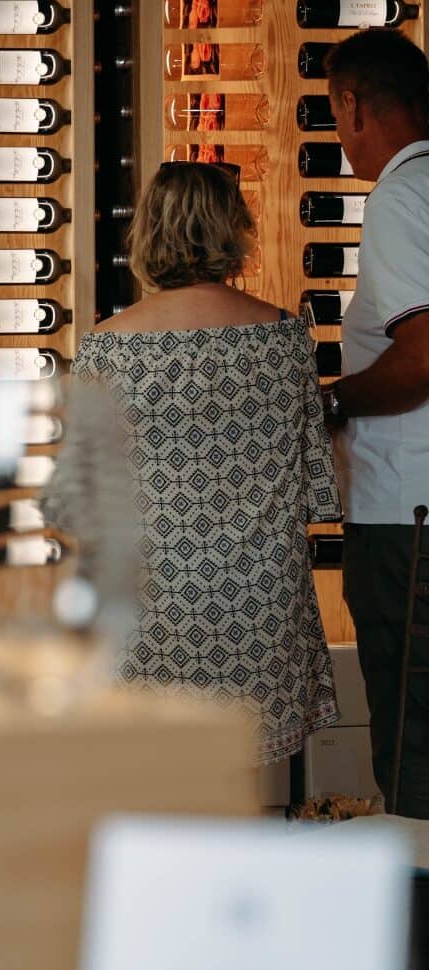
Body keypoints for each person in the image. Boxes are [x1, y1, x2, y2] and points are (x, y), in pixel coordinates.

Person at [44, 161, 342, 767]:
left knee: (155, 784)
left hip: (148, 607)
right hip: (259, 608)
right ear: (235, 229)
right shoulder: (285, 337)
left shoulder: (105, 347)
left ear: (148, 231)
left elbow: (70, 505)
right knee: (249, 794)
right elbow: (318, 490)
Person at [323, 30, 429, 816]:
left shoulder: (400, 195)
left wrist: (333, 402)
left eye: (334, 113)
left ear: (354, 105)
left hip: (408, 523)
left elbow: (422, 356)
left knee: (412, 743)